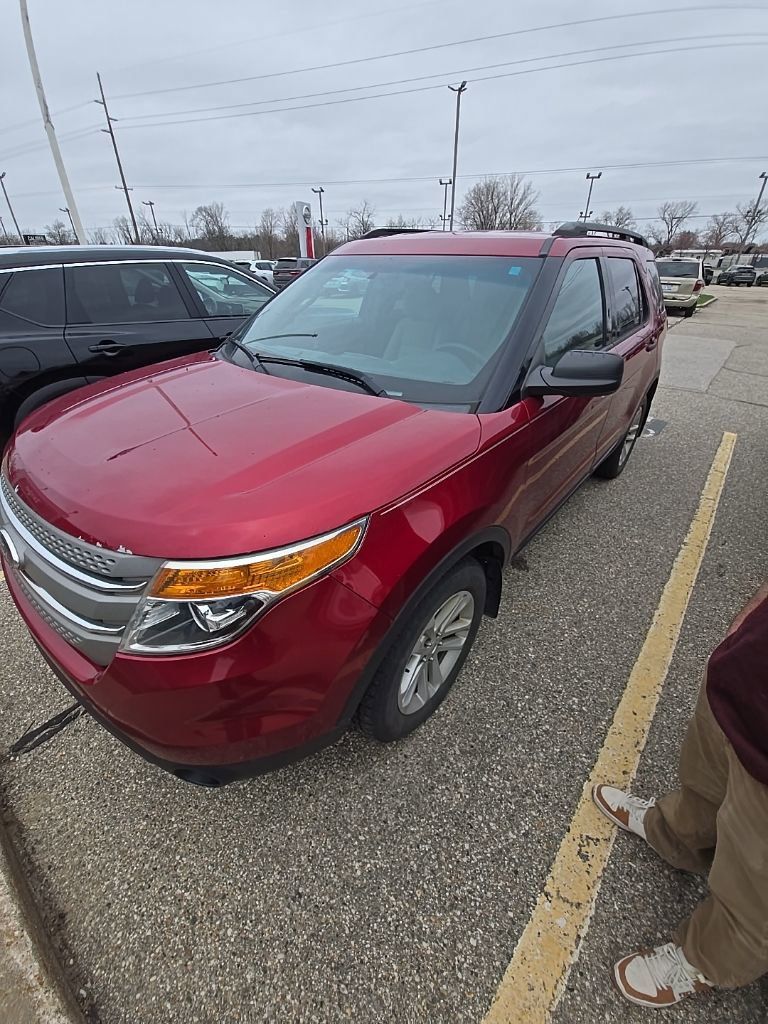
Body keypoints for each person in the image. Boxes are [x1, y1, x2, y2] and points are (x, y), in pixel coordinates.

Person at [593, 582, 768, 1008]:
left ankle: (703, 960)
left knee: (755, 892)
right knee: (704, 786)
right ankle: (671, 834)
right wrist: (753, 614)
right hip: (740, 684)